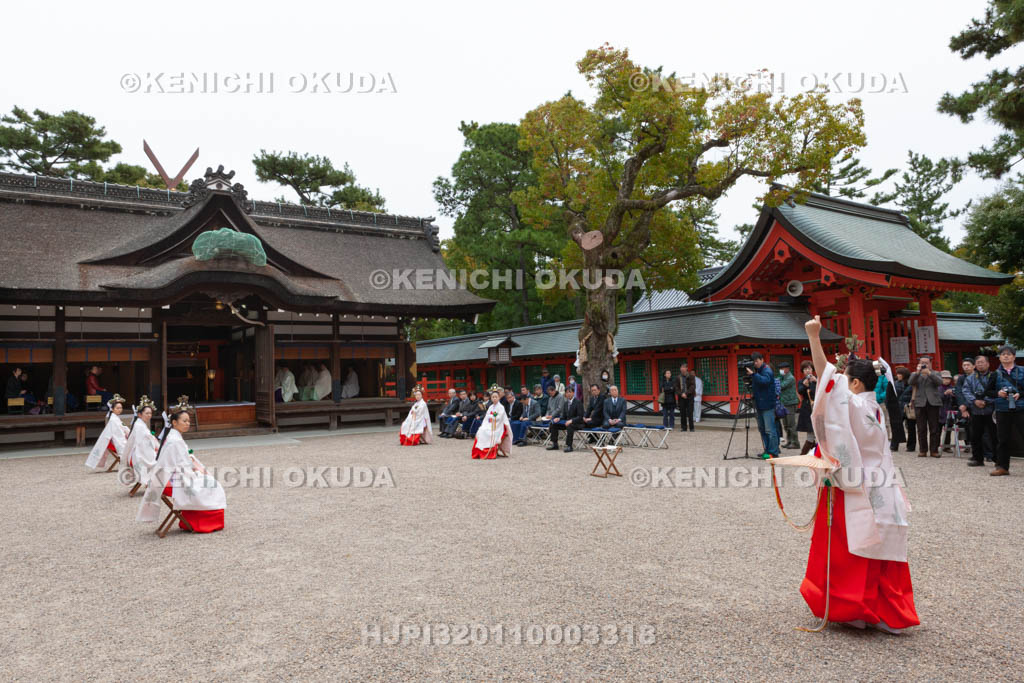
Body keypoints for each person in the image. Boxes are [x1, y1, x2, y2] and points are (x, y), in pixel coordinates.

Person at [800, 314, 919, 633]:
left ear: (853, 383)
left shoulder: (854, 404)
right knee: (883, 552)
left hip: (856, 487)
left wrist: (814, 336)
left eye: (845, 377)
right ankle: (885, 611)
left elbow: (826, 380)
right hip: (885, 486)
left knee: (850, 549)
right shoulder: (875, 407)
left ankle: (854, 608)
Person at [137, 409, 226, 533]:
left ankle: (194, 520)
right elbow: (182, 466)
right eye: (184, 421)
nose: (187, 423)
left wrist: (195, 469)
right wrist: (196, 472)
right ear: (174, 422)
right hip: (175, 479)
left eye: (189, 421)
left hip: (167, 477)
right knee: (212, 484)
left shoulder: (173, 436)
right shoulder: (175, 440)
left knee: (208, 480)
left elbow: (182, 462)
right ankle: (204, 523)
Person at [987, 345, 1024, 477]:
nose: (1006, 356)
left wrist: (1020, 394)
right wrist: (998, 393)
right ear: (1000, 357)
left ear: (1014, 356)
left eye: (1009, 354)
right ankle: (1002, 467)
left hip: (1021, 408)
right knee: (1003, 439)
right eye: (1003, 354)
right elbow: (988, 391)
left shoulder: (1022, 371)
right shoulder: (995, 374)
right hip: (1002, 409)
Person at [962, 355, 996, 467]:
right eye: (978, 363)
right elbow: (966, 390)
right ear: (975, 365)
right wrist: (975, 401)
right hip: (976, 411)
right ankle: (978, 459)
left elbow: (998, 391)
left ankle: (997, 459)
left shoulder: (994, 376)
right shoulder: (970, 377)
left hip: (991, 410)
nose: (980, 364)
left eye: (982, 362)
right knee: (975, 436)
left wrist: (985, 401)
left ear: (988, 364)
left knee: (994, 435)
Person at [909, 355, 943, 458]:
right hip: (920, 402)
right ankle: (923, 450)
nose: (924, 364)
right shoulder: (915, 374)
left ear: (930, 363)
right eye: (922, 362)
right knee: (921, 428)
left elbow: (939, 383)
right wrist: (918, 372)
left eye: (926, 362)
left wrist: (929, 373)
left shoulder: (936, 373)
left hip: (933, 402)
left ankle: (934, 450)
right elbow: (910, 382)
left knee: (934, 428)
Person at [84, 394, 129, 472]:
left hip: (119, 440)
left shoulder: (116, 418)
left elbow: (124, 429)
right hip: (117, 442)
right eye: (117, 408)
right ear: (112, 409)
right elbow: (118, 436)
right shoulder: (113, 420)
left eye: (121, 408)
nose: (120, 410)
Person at [123, 398, 159, 492]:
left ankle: (153, 483)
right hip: (140, 454)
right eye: (147, 413)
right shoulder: (139, 426)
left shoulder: (140, 424)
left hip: (143, 451)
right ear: (139, 414)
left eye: (150, 413)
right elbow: (141, 445)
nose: (149, 415)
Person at [747, 352, 779, 458]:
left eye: (757, 361)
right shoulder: (758, 371)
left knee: (769, 429)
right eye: (754, 362)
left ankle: (773, 452)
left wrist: (753, 375)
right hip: (760, 403)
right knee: (762, 429)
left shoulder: (767, 370)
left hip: (767, 404)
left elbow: (765, 381)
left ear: (762, 360)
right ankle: (767, 450)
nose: (755, 363)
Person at [470, 390, 512, 459]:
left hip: (499, 425)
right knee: (481, 430)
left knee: (489, 432)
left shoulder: (501, 407)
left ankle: (488, 452)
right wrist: (488, 421)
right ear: (491, 398)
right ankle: (480, 451)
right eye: (493, 397)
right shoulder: (490, 407)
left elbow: (499, 418)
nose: (494, 398)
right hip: (490, 423)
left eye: (496, 397)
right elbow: (487, 417)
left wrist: (492, 417)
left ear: (499, 398)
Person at [549, 387, 584, 452]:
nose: (568, 394)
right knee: (554, 424)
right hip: (567, 422)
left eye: (570, 392)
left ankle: (569, 446)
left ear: (573, 393)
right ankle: (555, 444)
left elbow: (580, 416)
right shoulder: (566, 403)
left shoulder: (578, 402)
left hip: (577, 423)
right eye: (567, 392)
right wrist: (559, 418)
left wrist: (571, 421)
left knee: (569, 426)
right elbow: (564, 416)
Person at [796, 361, 818, 454]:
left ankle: (812, 454)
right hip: (807, 410)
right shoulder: (801, 381)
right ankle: (803, 455)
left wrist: (816, 382)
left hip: (817, 408)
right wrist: (805, 386)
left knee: (818, 434)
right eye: (805, 369)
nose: (807, 371)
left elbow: (823, 390)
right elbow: (800, 392)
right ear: (803, 371)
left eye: (809, 368)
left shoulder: (818, 379)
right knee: (810, 433)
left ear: (812, 369)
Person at [778, 362, 800, 449]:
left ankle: (795, 442)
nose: (781, 371)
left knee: (791, 424)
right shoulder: (783, 377)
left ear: (787, 369)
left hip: (790, 403)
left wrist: (777, 381)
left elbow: (781, 386)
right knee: (786, 424)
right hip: (784, 403)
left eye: (782, 369)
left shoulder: (790, 378)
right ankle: (789, 441)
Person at [895, 367, 916, 453]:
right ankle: (894, 445)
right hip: (899, 406)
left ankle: (911, 446)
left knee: (911, 427)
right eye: (897, 373)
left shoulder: (912, 383)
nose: (898, 375)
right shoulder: (896, 383)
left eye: (900, 374)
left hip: (909, 406)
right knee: (897, 426)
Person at [939, 370, 958, 453]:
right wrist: (945, 394)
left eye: (948, 378)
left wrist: (954, 395)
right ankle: (936, 446)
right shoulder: (937, 387)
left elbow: (956, 400)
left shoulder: (953, 388)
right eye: (944, 378)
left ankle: (947, 446)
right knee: (937, 430)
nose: (946, 380)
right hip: (939, 411)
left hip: (949, 412)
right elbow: (937, 398)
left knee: (948, 430)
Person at [674, 363, 696, 432]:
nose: (682, 369)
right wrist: (681, 394)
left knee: (690, 412)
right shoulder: (678, 377)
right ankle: (684, 427)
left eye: (683, 367)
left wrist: (686, 393)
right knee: (682, 413)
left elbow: (692, 386)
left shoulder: (691, 376)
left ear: (687, 368)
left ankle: (691, 428)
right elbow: (676, 387)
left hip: (689, 397)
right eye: (681, 367)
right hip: (681, 397)